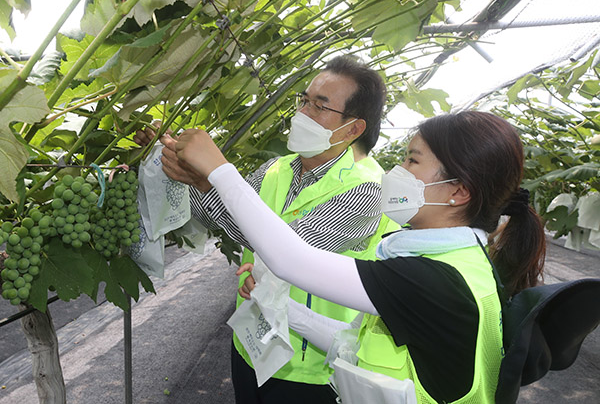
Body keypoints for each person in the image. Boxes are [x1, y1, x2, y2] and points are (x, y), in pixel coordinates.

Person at [169, 111, 547, 403]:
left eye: (413, 162)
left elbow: (291, 259)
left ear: (458, 192)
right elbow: (354, 347)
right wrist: (278, 304)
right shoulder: (460, 264)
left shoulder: (435, 278)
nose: (398, 172)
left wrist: (220, 171)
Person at [134, 56, 396, 403]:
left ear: (352, 130)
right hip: (252, 343)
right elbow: (222, 215)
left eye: (319, 107)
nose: (302, 113)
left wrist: (216, 174)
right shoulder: (277, 168)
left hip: (311, 369)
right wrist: (176, 165)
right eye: (303, 100)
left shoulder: (368, 189)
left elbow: (282, 250)